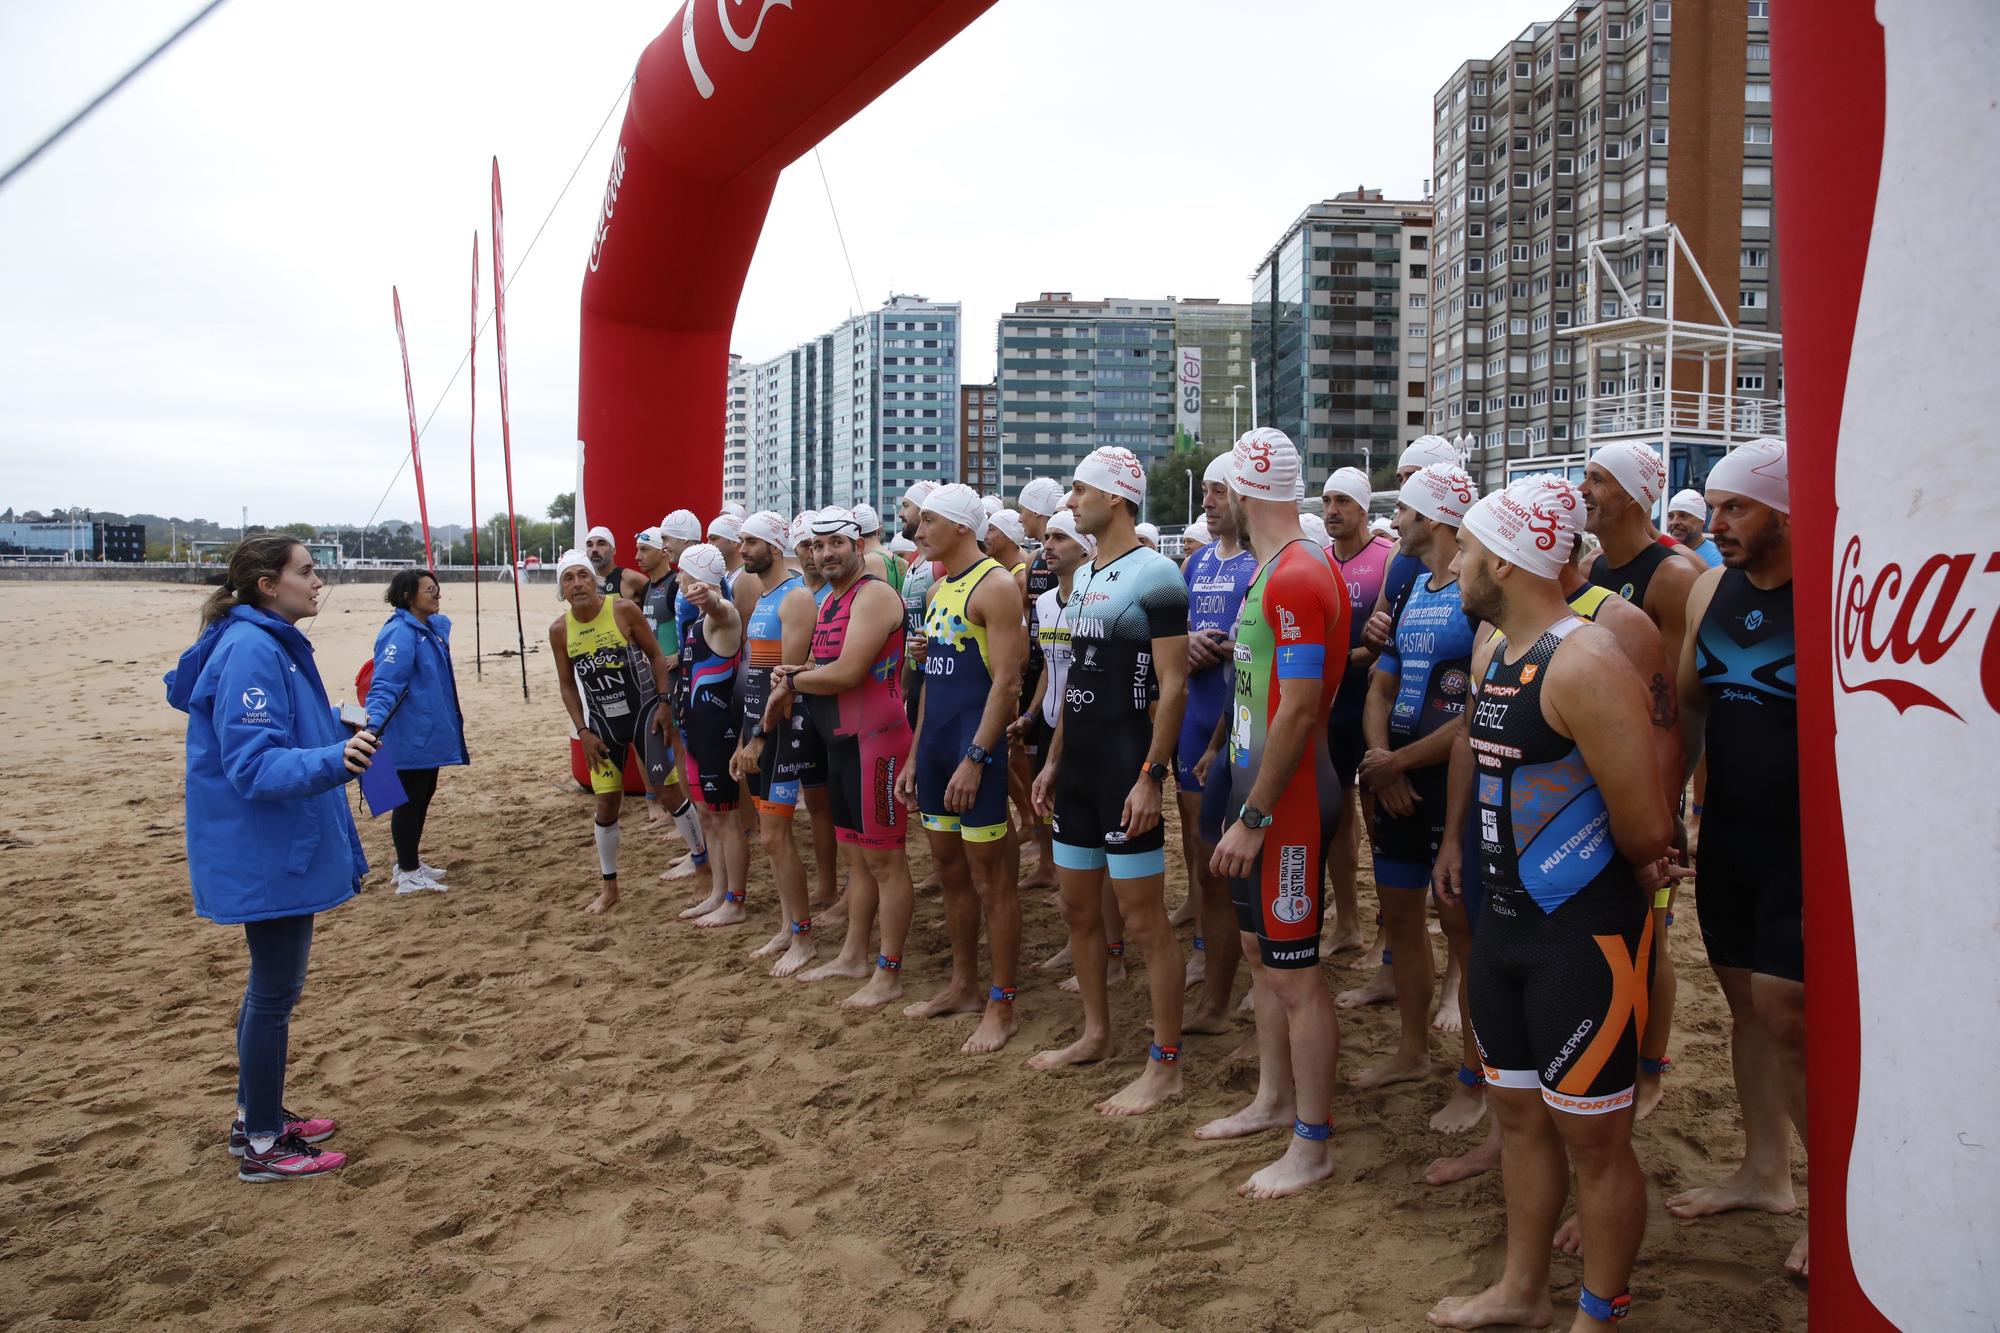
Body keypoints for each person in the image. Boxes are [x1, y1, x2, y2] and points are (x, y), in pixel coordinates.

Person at [1426, 478, 1676, 1332]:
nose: (1454, 561)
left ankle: (1599, 1312)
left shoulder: (1588, 660)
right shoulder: (1497, 645)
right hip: (1503, 929)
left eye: (1463, 546)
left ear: (1503, 557)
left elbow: (1647, 828)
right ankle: (1523, 1288)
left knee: (1596, 1145)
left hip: (1584, 937)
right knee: (1519, 1119)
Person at [166, 534, 373, 1181]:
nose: (319, 581)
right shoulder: (253, 646)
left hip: (277, 846)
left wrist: (334, 732)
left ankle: (254, 1114)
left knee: (272, 991)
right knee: (274, 993)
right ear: (266, 583)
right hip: (267, 851)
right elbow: (252, 766)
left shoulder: (266, 642)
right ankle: (261, 1143)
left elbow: (276, 736)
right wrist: (334, 759)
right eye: (307, 571)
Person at [1194, 429, 1351, 1199]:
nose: (1215, 500)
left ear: (1247, 490)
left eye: (1222, 486)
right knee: (1262, 955)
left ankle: (1313, 1141)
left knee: (1296, 973)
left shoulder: (1293, 574)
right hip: (1260, 786)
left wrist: (1252, 816)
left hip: (1285, 802)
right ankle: (1274, 1098)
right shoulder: (1276, 569)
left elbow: (1300, 710)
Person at [1665, 439, 1808, 1277]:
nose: (1715, 524)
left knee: (1788, 1008)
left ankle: (1837, 1199)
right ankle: (1765, 1170)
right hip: (1729, 829)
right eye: (1712, 508)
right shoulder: (1713, 588)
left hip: (1805, 840)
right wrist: (1668, 809)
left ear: (1784, 514)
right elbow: (1687, 706)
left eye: (1734, 508)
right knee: (1744, 1003)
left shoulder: (1831, 590)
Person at [1030, 444, 1190, 1117]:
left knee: (1146, 922)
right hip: (1081, 766)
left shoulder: (1157, 575)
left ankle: (1167, 1063)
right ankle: (1096, 1032)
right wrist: (1054, 759)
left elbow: (1174, 686)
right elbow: (1077, 681)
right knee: (1077, 909)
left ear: (1117, 498)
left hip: (1127, 762)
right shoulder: (1089, 575)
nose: (1070, 501)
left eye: (1079, 490)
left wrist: (1152, 776)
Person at [1351, 462, 1479, 1088]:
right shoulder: (1409, 588)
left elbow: (1480, 714)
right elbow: (1382, 683)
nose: (1396, 520)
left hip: (1449, 778)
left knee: (1460, 927)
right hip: (1395, 774)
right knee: (1401, 917)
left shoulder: (1476, 589)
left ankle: (1474, 1073)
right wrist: (1381, 763)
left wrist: (1398, 762)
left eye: (1404, 509)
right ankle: (1411, 1051)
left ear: (1431, 518)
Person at [1582, 440, 1701, 1112]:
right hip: (1598, 775)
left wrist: (1672, 804)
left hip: (1652, 776)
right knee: (1610, 920)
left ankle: (1651, 1068)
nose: (1585, 488)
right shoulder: (1596, 566)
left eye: (1597, 478)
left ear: (1630, 494)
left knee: (1652, 930)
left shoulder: (1672, 575)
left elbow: (1682, 703)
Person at [897, 483, 1030, 1053]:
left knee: (990, 877)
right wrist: (913, 753)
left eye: (927, 522)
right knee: (949, 871)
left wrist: (976, 759)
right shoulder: (938, 587)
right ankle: (963, 984)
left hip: (975, 750)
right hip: (936, 747)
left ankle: (1002, 1002)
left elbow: (1006, 683)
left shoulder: (995, 586)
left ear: (958, 527)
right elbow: (931, 686)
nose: (918, 532)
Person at [770, 508, 917, 1009]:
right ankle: (854, 955)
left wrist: (792, 680)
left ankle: (889, 971)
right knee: (856, 857)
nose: (826, 553)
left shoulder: (872, 595)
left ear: (858, 546)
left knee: (886, 861)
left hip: (877, 742)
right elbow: (826, 666)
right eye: (817, 545)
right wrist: (800, 670)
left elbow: (850, 673)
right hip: (842, 743)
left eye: (836, 543)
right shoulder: (832, 601)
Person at [1174, 452, 1260, 1029]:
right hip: (1193, 716)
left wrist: (1226, 649)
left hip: (1238, 721)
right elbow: (1171, 634)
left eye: (1219, 493)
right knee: (1199, 854)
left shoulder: (1260, 564)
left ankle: (1254, 969)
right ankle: (1208, 949)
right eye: (1205, 492)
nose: (1207, 503)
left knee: (1241, 857)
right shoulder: (1197, 562)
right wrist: (1188, 643)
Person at [550, 548, 675, 914]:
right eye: (568, 579)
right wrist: (582, 730)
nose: (577, 584)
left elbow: (655, 655)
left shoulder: (622, 610)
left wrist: (664, 702)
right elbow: (567, 685)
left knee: (668, 792)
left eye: (583, 575)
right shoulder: (560, 629)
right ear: (562, 588)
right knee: (606, 804)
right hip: (602, 727)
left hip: (644, 717)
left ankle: (700, 866)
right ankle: (610, 888)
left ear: (594, 579)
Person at [730, 512, 821, 976]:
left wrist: (762, 737)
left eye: (750, 541)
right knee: (771, 839)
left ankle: (803, 938)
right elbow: (755, 677)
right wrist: (745, 738)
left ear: (774, 545)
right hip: (758, 729)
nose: (743, 549)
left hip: (783, 732)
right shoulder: (765, 597)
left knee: (774, 835)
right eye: (742, 541)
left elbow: (787, 682)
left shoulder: (797, 598)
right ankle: (788, 926)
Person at [1322, 466, 1395, 955]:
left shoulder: (1386, 559)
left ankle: (1390, 933)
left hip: (1369, 704)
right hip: (1329, 706)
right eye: (1327, 501)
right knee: (1334, 817)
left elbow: (1393, 637)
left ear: (1364, 507)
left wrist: (1350, 659)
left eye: (1343, 502)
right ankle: (1346, 921)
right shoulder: (1320, 559)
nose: (1332, 511)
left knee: (1380, 825)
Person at [365, 569, 468, 895]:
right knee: (409, 802)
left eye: (437, 589)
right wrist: (372, 728)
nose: (437, 594)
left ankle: (409, 861)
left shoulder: (425, 629)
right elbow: (385, 684)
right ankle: (407, 872)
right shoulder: (400, 634)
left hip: (429, 733)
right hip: (412, 735)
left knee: (423, 797)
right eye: (429, 590)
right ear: (409, 596)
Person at [667, 543, 749, 925]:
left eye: (682, 572)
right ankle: (718, 892)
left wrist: (712, 597)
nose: (678, 578)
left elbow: (726, 609)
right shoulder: (697, 623)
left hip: (717, 734)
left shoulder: (721, 619)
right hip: (695, 733)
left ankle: (735, 900)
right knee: (708, 815)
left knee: (727, 819)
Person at [633, 525, 711, 881]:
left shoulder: (676, 590)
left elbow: (700, 631)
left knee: (684, 756)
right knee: (676, 756)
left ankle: (700, 844)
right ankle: (692, 838)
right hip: (669, 683)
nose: (639, 557)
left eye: (647, 548)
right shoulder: (653, 587)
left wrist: (676, 658)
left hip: (683, 682)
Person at [1016, 476, 1068, 890]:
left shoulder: (1089, 590)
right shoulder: (1039, 576)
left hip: (1079, 706)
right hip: (1045, 692)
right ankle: (1049, 862)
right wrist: (1032, 710)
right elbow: (1048, 655)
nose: (1047, 545)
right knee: (1042, 781)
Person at [585, 524, 648, 602]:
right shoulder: (585, 582)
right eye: (589, 545)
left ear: (613, 550)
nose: (594, 549)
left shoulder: (629, 578)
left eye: (601, 544)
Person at [1666, 489, 1723, 568]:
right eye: (1670, 516)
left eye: (1683, 516)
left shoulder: (1719, 559)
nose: (1674, 522)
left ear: (1701, 521)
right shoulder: (1664, 553)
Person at [707, 512, 745, 576]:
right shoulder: (730, 574)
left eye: (713, 539)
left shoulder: (747, 577)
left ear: (734, 541)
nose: (708, 544)